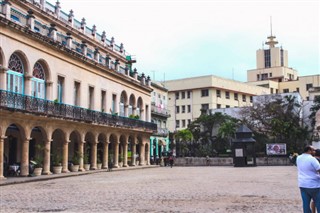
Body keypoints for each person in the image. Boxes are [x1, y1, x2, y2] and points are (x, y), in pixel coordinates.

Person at [296, 145, 320, 213]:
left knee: (305, 204)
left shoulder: (298, 158)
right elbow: (319, 169)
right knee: (318, 203)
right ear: (309, 150)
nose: (314, 151)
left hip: (302, 184)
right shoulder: (312, 159)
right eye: (313, 150)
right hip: (314, 184)